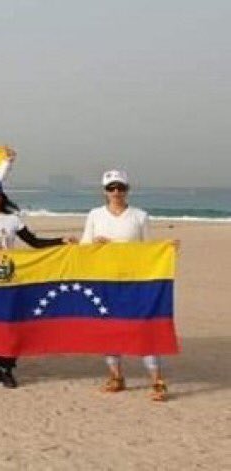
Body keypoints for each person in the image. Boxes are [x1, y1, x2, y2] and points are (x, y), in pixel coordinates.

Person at [0, 179, 74, 387]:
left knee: (10, 324)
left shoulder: (12, 219)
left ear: (1, 197)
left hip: (9, 280)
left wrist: (60, 241)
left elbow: (34, 242)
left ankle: (8, 368)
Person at [81, 169, 169, 402]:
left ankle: (157, 381)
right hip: (104, 281)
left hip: (134, 282)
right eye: (111, 188)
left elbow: (149, 250)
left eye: (120, 187)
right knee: (110, 330)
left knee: (144, 328)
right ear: (104, 191)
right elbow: (83, 247)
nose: (116, 192)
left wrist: (167, 250)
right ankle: (116, 377)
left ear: (127, 190)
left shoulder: (140, 216)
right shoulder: (95, 215)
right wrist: (94, 244)